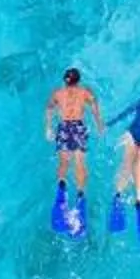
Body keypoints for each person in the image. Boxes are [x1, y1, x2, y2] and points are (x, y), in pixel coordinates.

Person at [45, 67, 102, 203]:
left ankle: (61, 185)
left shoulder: (57, 93)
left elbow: (49, 108)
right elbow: (94, 105)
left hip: (64, 126)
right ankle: (80, 192)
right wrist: (99, 123)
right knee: (79, 162)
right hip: (78, 127)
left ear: (65, 80)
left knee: (63, 162)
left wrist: (48, 127)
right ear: (78, 80)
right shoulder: (85, 91)